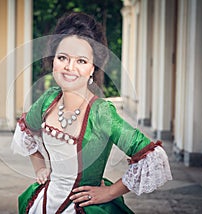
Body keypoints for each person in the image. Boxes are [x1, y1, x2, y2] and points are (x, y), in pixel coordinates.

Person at [11, 12, 172, 214]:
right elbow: (26, 131)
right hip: (44, 202)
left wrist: (110, 192)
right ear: (53, 60)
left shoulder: (101, 112)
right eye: (63, 58)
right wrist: (40, 168)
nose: (70, 68)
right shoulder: (48, 100)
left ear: (92, 67)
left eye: (81, 61)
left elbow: (152, 156)